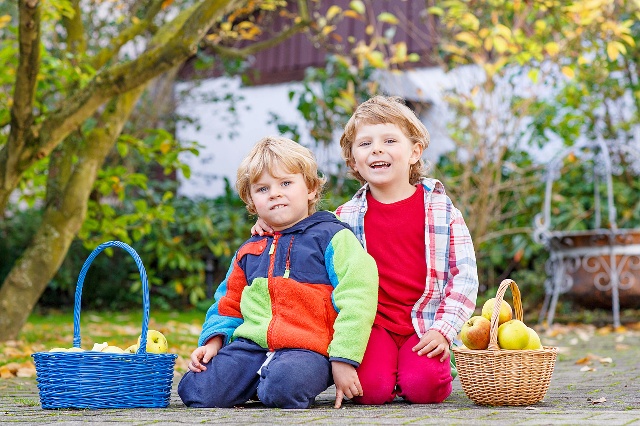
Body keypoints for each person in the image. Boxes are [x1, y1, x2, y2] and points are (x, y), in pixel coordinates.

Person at [253, 96, 479, 405]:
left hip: (425, 323)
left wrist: (444, 329)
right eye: (365, 144)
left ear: (415, 152)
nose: (376, 149)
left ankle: (422, 369)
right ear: (353, 162)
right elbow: (302, 228)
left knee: (425, 388)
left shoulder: (441, 209)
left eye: (389, 140)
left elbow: (464, 275)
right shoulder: (343, 218)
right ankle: (391, 372)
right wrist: (269, 226)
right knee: (368, 392)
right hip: (373, 326)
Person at [177, 136, 379, 410]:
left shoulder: (333, 237)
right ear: (251, 200)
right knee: (194, 389)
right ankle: (259, 379)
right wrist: (213, 342)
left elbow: (359, 296)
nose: (275, 193)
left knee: (284, 389)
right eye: (263, 189)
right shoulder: (250, 249)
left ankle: (270, 383)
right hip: (252, 347)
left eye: (286, 183)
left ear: (310, 189)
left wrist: (343, 358)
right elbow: (228, 302)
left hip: (309, 349)